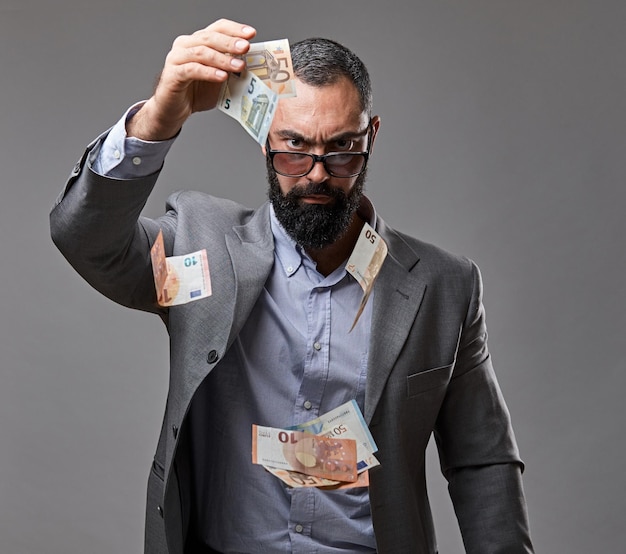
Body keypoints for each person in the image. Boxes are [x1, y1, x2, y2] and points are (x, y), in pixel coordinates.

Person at [50, 18, 534, 554]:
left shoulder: (444, 288)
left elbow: (482, 460)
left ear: (371, 136)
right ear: (263, 139)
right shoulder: (200, 250)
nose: (317, 174)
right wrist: (159, 119)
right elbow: (85, 239)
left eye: (343, 148)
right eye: (294, 147)